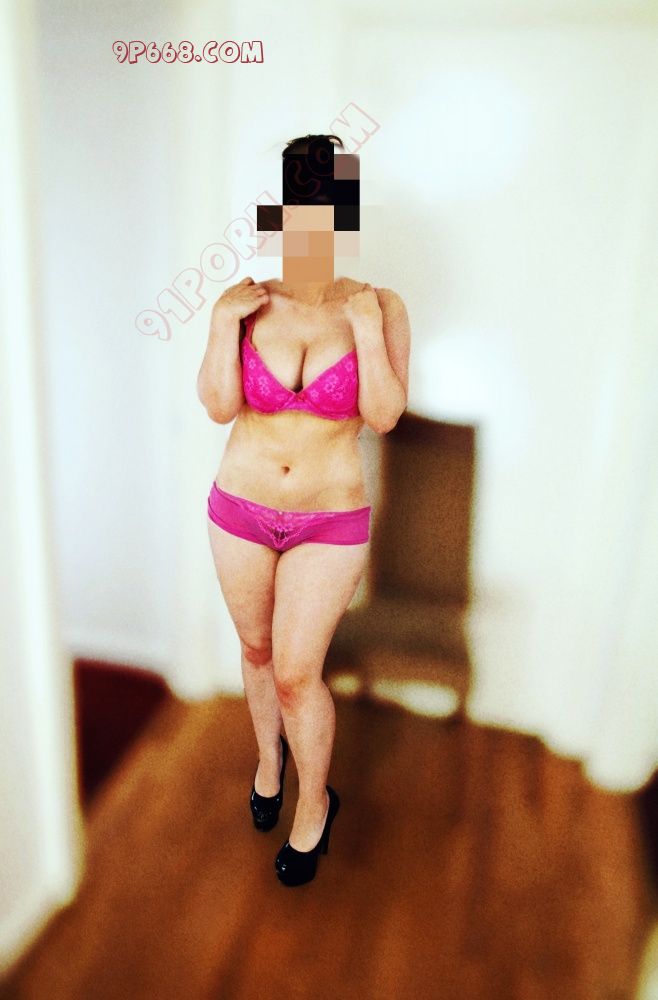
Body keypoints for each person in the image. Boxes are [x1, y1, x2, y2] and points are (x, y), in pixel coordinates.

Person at [197, 133, 410, 886]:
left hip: (329, 519)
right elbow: (220, 405)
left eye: (324, 212)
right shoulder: (247, 301)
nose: (308, 231)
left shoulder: (378, 304)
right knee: (256, 652)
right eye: (296, 214)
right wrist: (221, 325)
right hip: (240, 508)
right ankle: (268, 763)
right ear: (281, 216)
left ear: (342, 216)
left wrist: (365, 333)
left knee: (295, 673)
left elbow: (383, 415)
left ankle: (315, 803)